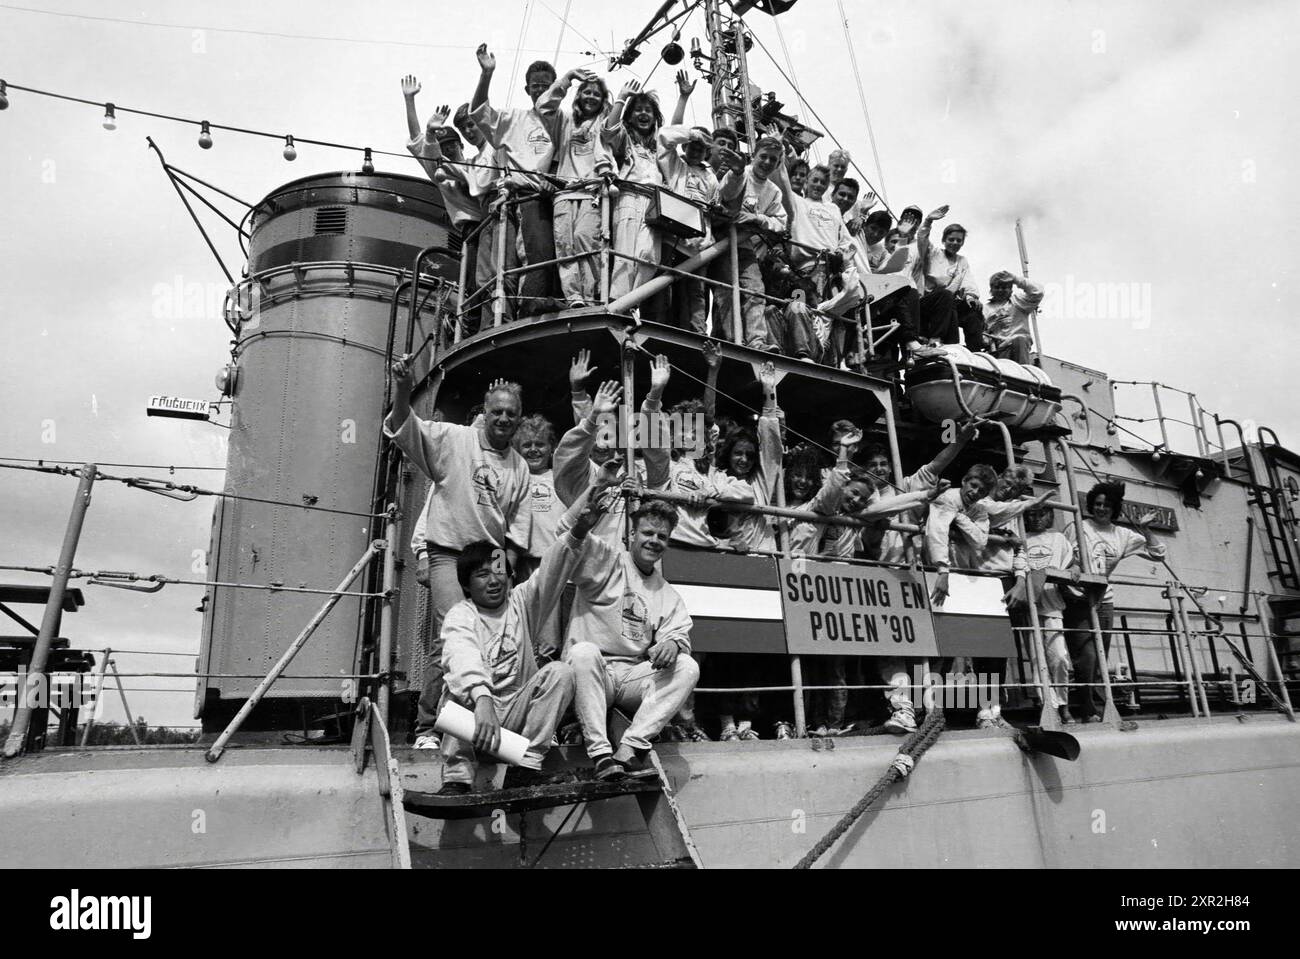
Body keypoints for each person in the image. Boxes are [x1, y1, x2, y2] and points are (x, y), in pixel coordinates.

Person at [386, 358, 533, 749]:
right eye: (496, 411)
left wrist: (505, 574)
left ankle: (475, 728)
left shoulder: (519, 468)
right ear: (484, 413)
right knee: (453, 630)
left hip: (490, 558)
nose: (503, 418)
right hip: (449, 553)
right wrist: (402, 389)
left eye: (511, 413)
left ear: (519, 419)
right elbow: (405, 428)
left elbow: (515, 531)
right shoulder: (453, 439)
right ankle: (430, 728)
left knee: (492, 637)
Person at [436, 483, 612, 795]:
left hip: (513, 730)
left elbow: (552, 568)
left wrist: (581, 529)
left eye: (499, 571)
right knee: (456, 688)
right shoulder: (461, 616)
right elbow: (462, 656)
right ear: (466, 586)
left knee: (562, 671)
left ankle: (526, 768)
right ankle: (456, 779)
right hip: (475, 723)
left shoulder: (521, 603)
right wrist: (483, 699)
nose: (494, 580)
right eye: (482, 575)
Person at [564, 499, 701, 780]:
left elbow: (678, 632)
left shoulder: (667, 593)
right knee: (584, 652)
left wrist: (672, 644)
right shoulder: (607, 561)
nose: (654, 541)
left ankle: (629, 748)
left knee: (687, 666)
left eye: (662, 536)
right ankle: (600, 754)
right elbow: (567, 541)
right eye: (647, 533)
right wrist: (582, 524)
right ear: (631, 535)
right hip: (590, 674)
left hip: (628, 680)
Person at [469, 44, 562, 323]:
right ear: (527, 90)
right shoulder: (514, 119)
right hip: (525, 196)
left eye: (546, 86)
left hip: (557, 195)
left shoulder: (564, 121)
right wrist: (487, 73)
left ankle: (552, 301)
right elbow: (478, 111)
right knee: (535, 253)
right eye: (536, 86)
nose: (541, 91)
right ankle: (531, 307)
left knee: (559, 254)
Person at [1063, 481, 1165, 722]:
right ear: (1090, 505)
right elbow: (1063, 556)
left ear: (1114, 508)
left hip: (1104, 600)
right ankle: (1088, 708)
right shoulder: (1077, 526)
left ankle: (1098, 707)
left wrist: (1145, 529)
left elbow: (1158, 554)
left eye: (1106, 505)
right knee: (1085, 657)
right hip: (1077, 598)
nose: (1101, 509)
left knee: (1099, 656)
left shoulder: (1123, 535)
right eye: (1097, 504)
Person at [544, 69, 614, 308]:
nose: (591, 97)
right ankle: (573, 297)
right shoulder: (565, 122)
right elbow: (545, 105)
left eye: (596, 94)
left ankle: (589, 295)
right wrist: (568, 77)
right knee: (565, 245)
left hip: (591, 191)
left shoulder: (604, 123)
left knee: (585, 240)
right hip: (565, 192)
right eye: (586, 92)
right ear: (578, 95)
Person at [714, 136, 788, 351]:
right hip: (722, 241)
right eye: (763, 157)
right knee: (727, 291)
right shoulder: (739, 172)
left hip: (746, 247)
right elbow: (724, 194)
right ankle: (732, 339)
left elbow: (781, 223)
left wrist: (757, 219)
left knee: (755, 290)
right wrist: (736, 173)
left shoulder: (774, 191)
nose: (766, 162)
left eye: (772, 160)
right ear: (754, 156)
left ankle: (757, 341)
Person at [603, 79, 666, 302]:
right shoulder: (626, 140)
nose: (643, 113)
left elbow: (675, 131)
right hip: (629, 196)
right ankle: (618, 301)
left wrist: (683, 98)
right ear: (629, 116)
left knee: (649, 256)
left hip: (653, 204)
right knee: (625, 256)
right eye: (638, 109)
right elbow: (609, 130)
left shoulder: (657, 148)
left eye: (648, 110)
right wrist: (621, 97)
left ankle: (631, 302)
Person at [1018, 503, 1080, 725]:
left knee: (1060, 657)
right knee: (1037, 661)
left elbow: (1071, 562)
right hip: (1029, 605)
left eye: (1041, 514)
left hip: (1052, 604)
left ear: (1050, 515)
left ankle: (1063, 703)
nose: (1035, 518)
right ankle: (1050, 706)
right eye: (1031, 514)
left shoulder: (1058, 539)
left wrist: (1074, 569)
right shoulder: (1021, 537)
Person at [917, 211, 984, 351]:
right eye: (951, 239)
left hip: (949, 304)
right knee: (946, 295)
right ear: (944, 240)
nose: (955, 243)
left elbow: (968, 280)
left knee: (974, 309)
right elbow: (922, 239)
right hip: (928, 302)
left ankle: (976, 351)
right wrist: (928, 221)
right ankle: (936, 338)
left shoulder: (962, 261)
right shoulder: (933, 253)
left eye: (959, 240)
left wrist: (971, 296)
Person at [984, 271, 1045, 363]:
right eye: (997, 287)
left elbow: (1038, 292)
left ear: (1011, 290)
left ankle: (1023, 374)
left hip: (1019, 348)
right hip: (997, 351)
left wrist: (1015, 279)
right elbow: (981, 333)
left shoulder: (1019, 302)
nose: (1000, 290)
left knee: (1020, 339)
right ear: (991, 289)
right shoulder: (985, 309)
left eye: (1004, 287)